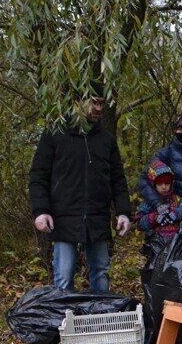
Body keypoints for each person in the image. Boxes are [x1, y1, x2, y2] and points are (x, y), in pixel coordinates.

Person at [29, 82, 132, 292]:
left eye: (102, 104)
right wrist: (41, 211)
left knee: (101, 273)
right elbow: (39, 175)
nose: (98, 109)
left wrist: (123, 212)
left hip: (97, 218)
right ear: (78, 102)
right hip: (64, 217)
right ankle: (62, 322)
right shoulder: (55, 134)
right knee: (64, 278)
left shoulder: (106, 140)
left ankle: (98, 320)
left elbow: (117, 179)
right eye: (94, 102)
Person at [138, 116, 182, 215]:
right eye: (180, 129)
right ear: (175, 131)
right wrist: (157, 203)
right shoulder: (166, 153)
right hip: (176, 216)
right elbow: (144, 178)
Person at [134, 160, 182, 239]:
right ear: (154, 184)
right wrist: (153, 218)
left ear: (171, 183)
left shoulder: (177, 199)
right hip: (156, 244)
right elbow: (139, 224)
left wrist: (176, 214)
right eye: (160, 184)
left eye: (167, 183)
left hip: (176, 243)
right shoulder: (147, 202)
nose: (164, 187)